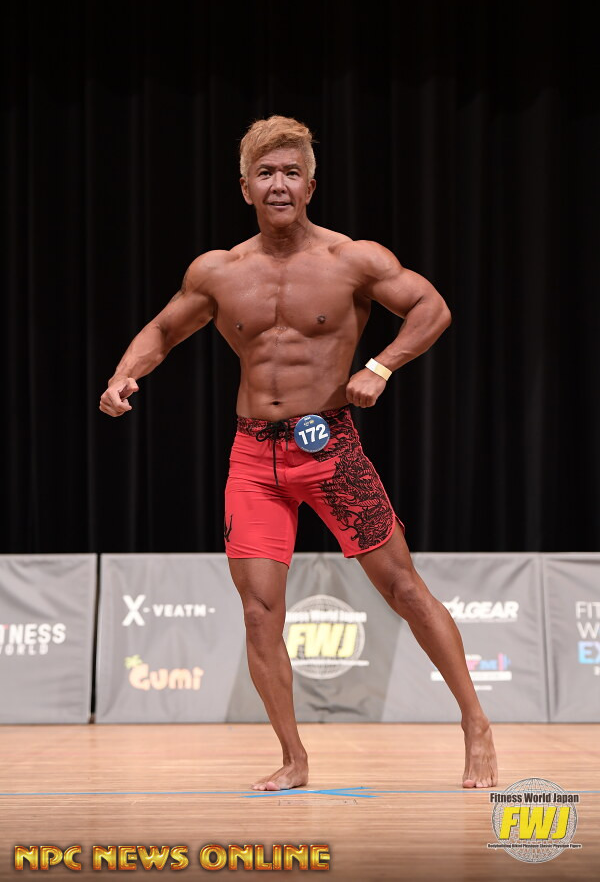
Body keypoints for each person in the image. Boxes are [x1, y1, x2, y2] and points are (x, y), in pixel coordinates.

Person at [100, 115, 498, 791]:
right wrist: (122, 375)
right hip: (254, 457)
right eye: (266, 173)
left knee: (403, 588)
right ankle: (293, 757)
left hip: (331, 447)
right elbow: (163, 331)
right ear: (246, 187)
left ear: (311, 185)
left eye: (291, 172)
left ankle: (476, 724)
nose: (279, 184)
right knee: (259, 613)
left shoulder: (353, 260)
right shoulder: (218, 271)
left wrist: (381, 366)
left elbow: (431, 308)